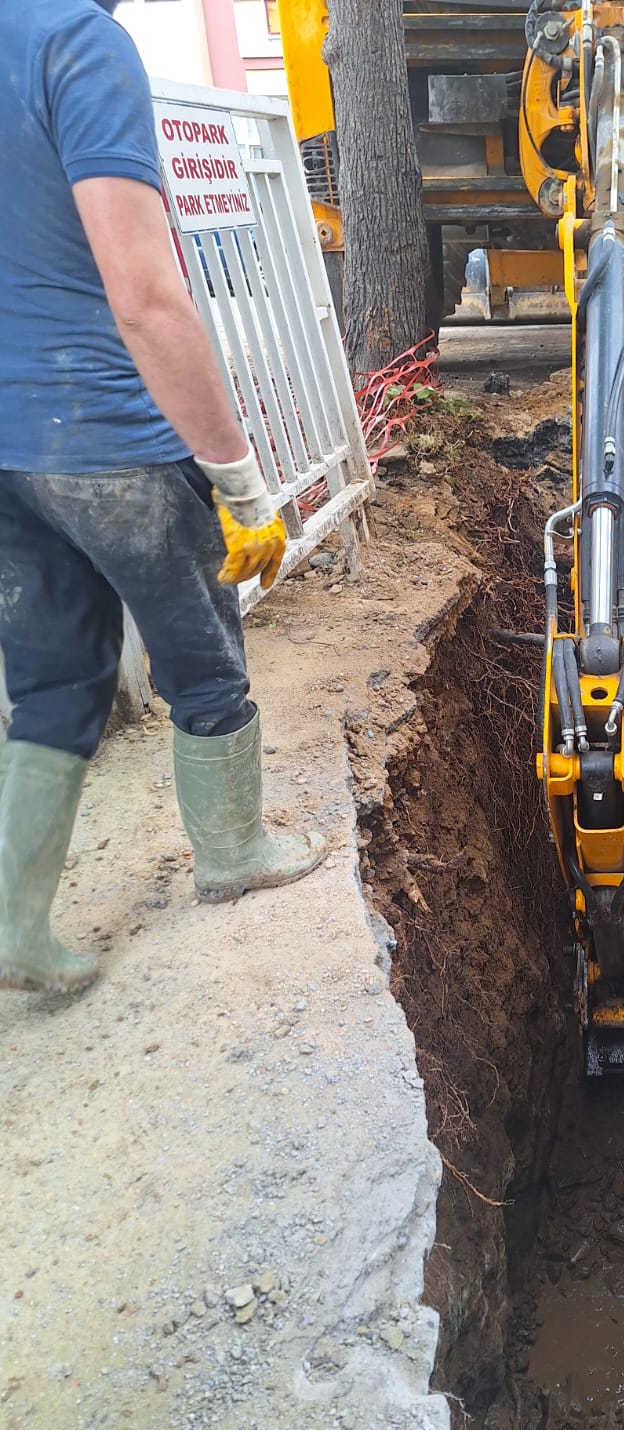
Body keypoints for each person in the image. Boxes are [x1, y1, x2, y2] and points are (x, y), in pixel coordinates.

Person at [0, 0, 327, 997]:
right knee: (203, 656)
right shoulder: (77, 43)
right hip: (110, 439)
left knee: (52, 685)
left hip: (10, 451)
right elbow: (145, 294)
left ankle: (16, 926)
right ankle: (233, 853)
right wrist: (236, 477)